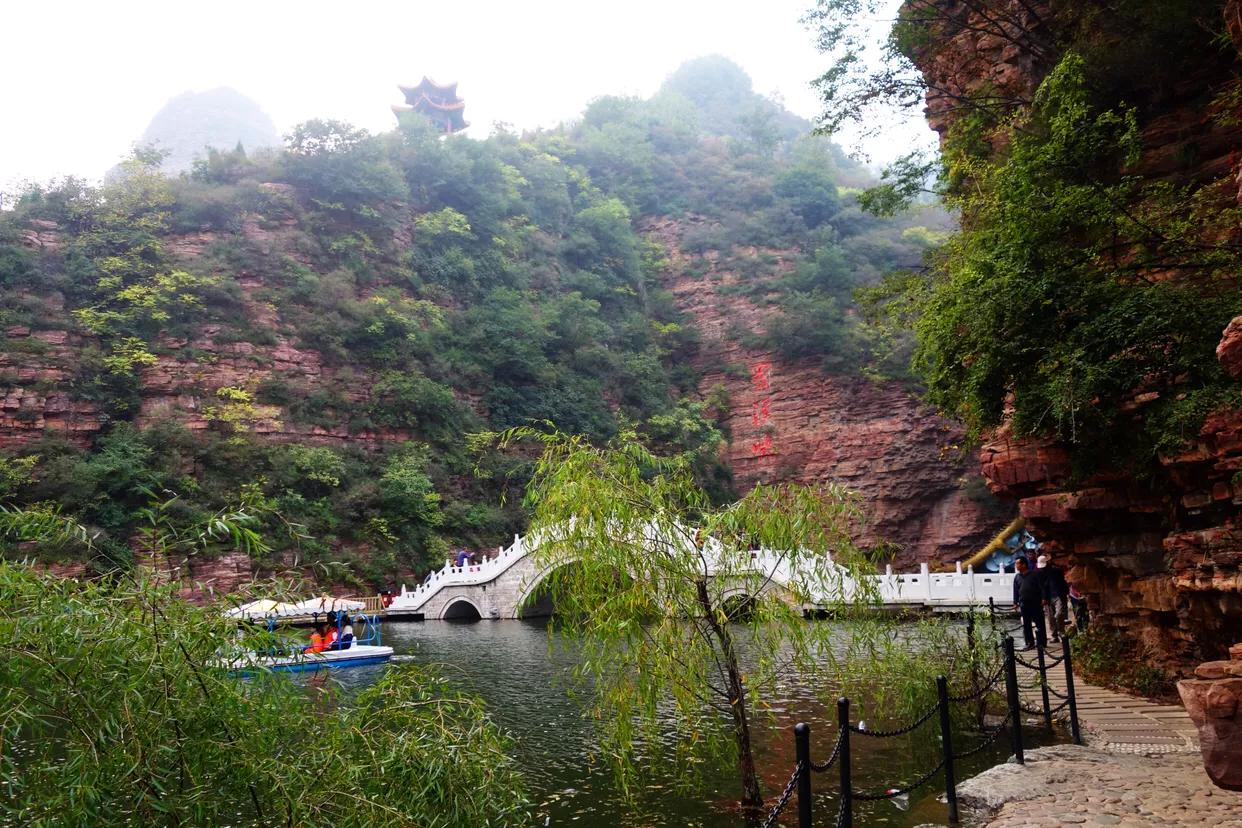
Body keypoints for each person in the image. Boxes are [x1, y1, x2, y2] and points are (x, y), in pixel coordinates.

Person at [1012, 556, 1047, 651]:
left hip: (1035, 602)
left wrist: (1043, 598)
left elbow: (1041, 587)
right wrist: (1015, 602)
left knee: (1039, 622)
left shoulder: (1035, 574)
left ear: (1024, 564)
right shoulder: (1017, 577)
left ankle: (1042, 642)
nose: (1016, 565)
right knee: (1026, 624)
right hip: (1024, 603)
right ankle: (1029, 643)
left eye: (1017, 563)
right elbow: (1016, 590)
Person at [1038, 555, 1069, 643]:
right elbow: (1041, 587)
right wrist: (1043, 598)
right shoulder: (1040, 573)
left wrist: (1065, 593)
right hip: (1047, 597)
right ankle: (1054, 635)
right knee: (1050, 617)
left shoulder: (1057, 571)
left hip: (1057, 595)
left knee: (1059, 614)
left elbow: (1063, 583)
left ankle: (1061, 632)